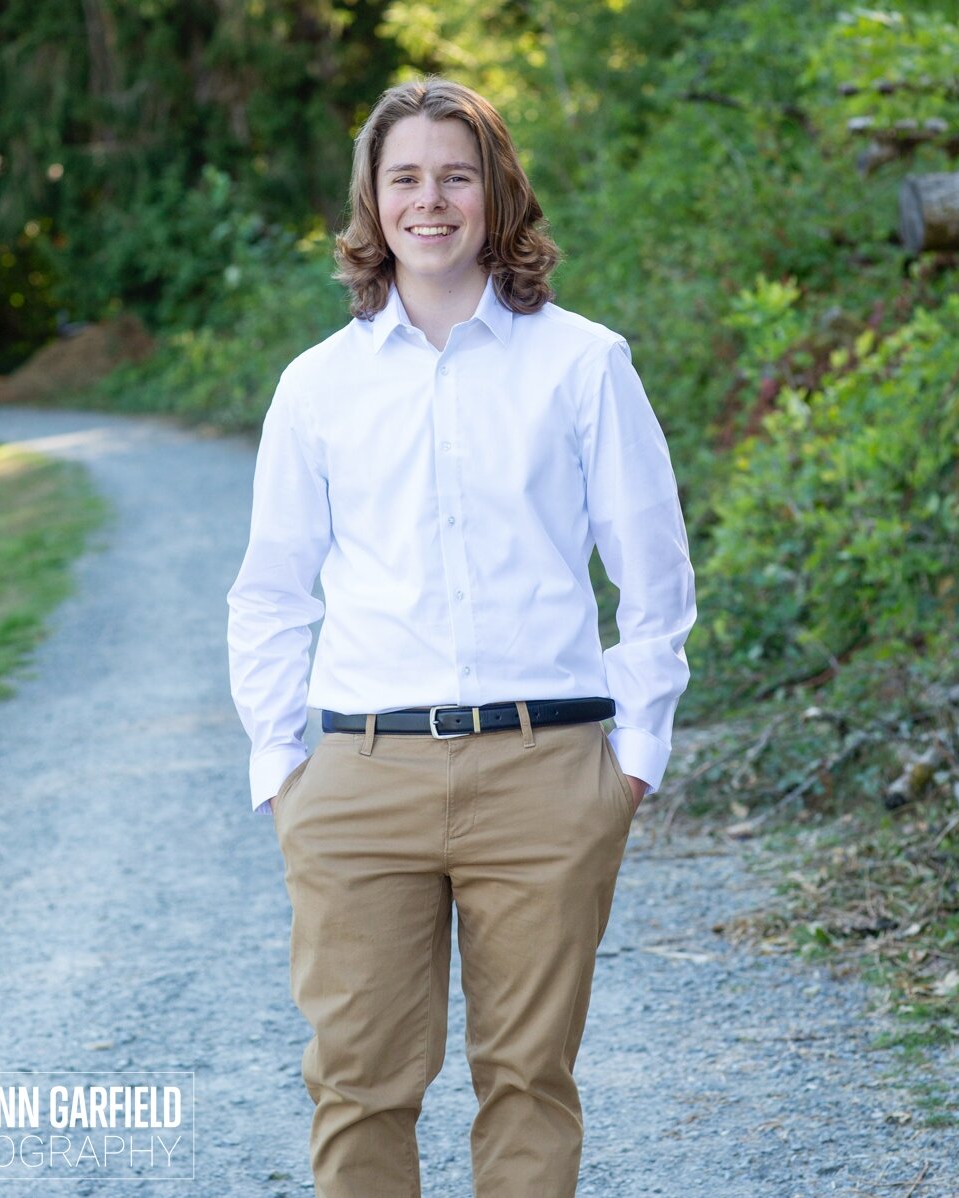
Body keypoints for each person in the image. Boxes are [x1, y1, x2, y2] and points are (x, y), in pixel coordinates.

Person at [227, 77, 696, 1198]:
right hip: (360, 776)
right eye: (405, 178)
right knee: (358, 1082)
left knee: (530, 1077)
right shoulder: (317, 386)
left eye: (454, 175)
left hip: (548, 769)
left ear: (495, 194)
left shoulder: (583, 362)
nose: (429, 200)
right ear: (372, 204)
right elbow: (272, 590)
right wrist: (283, 766)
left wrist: (634, 758)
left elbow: (655, 574)